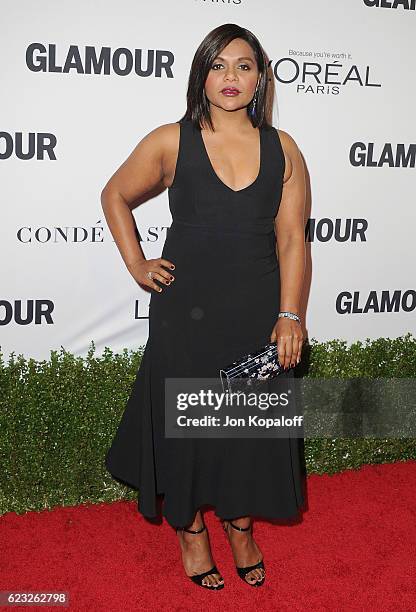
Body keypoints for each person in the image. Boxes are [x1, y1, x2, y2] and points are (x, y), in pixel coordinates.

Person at [102, 23, 307, 590]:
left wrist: (290, 315)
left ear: (261, 77)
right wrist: (138, 263)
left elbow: (293, 240)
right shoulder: (173, 139)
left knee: (245, 427)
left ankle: (239, 526)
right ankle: (191, 530)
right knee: (189, 426)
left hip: (257, 312)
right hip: (185, 312)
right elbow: (114, 194)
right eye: (218, 65)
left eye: (244, 66)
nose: (231, 77)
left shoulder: (283, 148)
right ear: (201, 75)